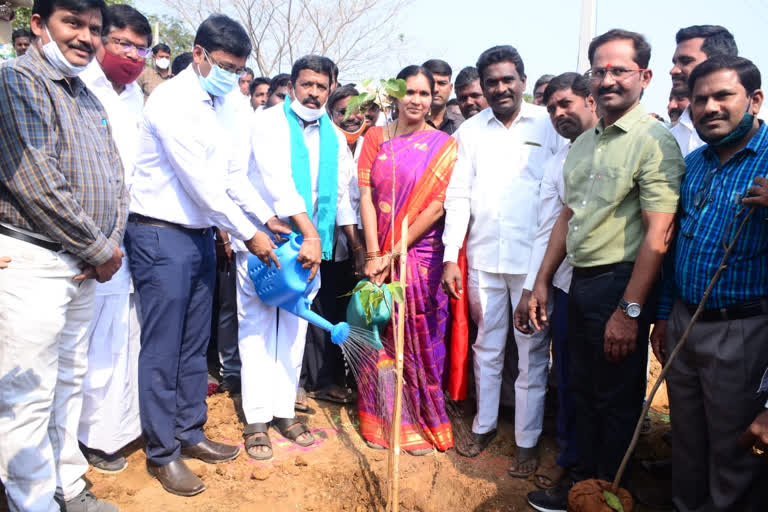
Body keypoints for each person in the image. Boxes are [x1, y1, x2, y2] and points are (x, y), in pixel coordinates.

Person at [526, 29, 685, 511]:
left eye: (620, 70)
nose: (608, 79)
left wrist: (630, 310)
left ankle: (611, 494)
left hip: (620, 284)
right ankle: (580, 487)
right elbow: (568, 217)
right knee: (578, 389)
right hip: (578, 284)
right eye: (600, 70)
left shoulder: (654, 142)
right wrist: (541, 282)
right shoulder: (584, 143)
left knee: (615, 400)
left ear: (646, 76)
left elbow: (660, 234)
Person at [127, 14, 284, 497]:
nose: (232, 76)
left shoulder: (228, 104)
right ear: (197, 54)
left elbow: (234, 175)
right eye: (222, 65)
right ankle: (162, 452)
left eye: (239, 69)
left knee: (195, 343)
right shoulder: (171, 101)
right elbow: (201, 184)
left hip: (198, 236)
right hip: (160, 234)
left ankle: (190, 431)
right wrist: (246, 234)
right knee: (163, 348)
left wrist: (266, 218)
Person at [0, 0, 127, 510]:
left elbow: (115, 177)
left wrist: (105, 245)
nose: (85, 37)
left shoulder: (86, 96)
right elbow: (37, 183)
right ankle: (32, 503)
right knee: (27, 396)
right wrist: (101, 248)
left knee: (67, 384)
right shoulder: (18, 83)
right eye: (72, 24)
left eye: (94, 29)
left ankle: (65, 486)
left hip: (80, 268)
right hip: (34, 261)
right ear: (38, 25)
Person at [441, 45, 564, 475]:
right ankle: (484, 424)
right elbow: (457, 194)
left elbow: (556, 201)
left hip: (534, 265)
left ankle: (527, 441)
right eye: (491, 81)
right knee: (487, 347)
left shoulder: (548, 125)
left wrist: (543, 274)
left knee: (532, 353)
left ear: (523, 82)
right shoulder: (470, 131)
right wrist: (450, 256)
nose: (500, 88)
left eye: (507, 79)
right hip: (483, 258)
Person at [652, 55, 768, 512]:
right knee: (686, 441)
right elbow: (673, 246)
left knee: (733, 451)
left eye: (723, 96)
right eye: (700, 99)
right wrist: (663, 315)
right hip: (684, 322)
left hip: (741, 332)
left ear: (754, 100)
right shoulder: (695, 163)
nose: (709, 108)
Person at [238, 55, 359, 460]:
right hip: (267, 240)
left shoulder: (336, 137)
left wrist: (351, 246)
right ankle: (256, 419)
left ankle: (284, 411)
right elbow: (277, 180)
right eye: (306, 84)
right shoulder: (268, 121)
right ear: (292, 84)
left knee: (295, 329)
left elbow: (340, 197)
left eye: (321, 87)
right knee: (256, 326)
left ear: (331, 88)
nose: (313, 92)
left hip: (311, 249)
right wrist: (305, 232)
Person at [357, 64, 457, 455]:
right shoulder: (374, 138)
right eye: (409, 92)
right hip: (377, 252)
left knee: (421, 337)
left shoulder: (443, 146)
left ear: (433, 98)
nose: (416, 100)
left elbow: (435, 208)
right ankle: (381, 420)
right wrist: (373, 253)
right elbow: (365, 197)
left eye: (424, 93)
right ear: (395, 96)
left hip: (419, 257)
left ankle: (418, 421)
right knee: (379, 336)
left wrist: (394, 252)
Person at [513, 72, 598, 492]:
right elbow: (548, 225)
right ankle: (570, 457)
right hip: (564, 284)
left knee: (606, 383)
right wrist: (534, 286)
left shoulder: (624, 146)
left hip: (612, 285)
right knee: (568, 376)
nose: (558, 113)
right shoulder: (557, 161)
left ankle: (606, 468)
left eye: (566, 103)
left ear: (590, 100)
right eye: (550, 108)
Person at [77, 2, 150, 475]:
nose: (132, 54)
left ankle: (119, 430)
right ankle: (88, 436)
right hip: (87, 238)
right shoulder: (81, 88)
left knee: (126, 334)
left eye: (140, 48)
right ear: (102, 40)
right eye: (122, 42)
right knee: (90, 343)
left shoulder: (136, 98)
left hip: (132, 237)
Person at [297, 84, 366, 407]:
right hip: (326, 244)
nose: (351, 118)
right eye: (342, 113)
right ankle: (318, 379)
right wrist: (355, 247)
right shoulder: (324, 141)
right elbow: (338, 201)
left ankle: (343, 376)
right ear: (331, 114)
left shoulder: (374, 142)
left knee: (347, 312)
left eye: (357, 112)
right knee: (321, 311)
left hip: (361, 246)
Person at [670, 25, 737, 156]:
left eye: (686, 61)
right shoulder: (669, 138)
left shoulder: (760, 130)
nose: (674, 71)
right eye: (675, 62)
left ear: (718, 62)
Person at [423, 58, 462, 134]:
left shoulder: (462, 126)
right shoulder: (405, 125)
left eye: (442, 83)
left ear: (450, 88)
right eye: (431, 83)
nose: (435, 89)